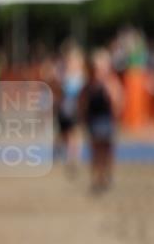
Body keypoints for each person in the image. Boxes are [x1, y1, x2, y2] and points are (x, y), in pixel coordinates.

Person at [80, 48, 124, 195]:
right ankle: (96, 179)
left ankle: (107, 176)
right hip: (94, 121)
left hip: (107, 121)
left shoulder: (111, 82)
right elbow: (83, 103)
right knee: (95, 152)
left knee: (107, 151)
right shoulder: (89, 84)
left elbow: (118, 104)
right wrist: (83, 117)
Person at [53, 42, 87, 177]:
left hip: (76, 111)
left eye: (76, 60)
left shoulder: (82, 76)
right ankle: (57, 150)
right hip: (64, 111)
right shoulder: (62, 75)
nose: (73, 63)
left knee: (75, 135)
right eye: (71, 60)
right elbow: (57, 92)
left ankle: (73, 160)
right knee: (63, 135)